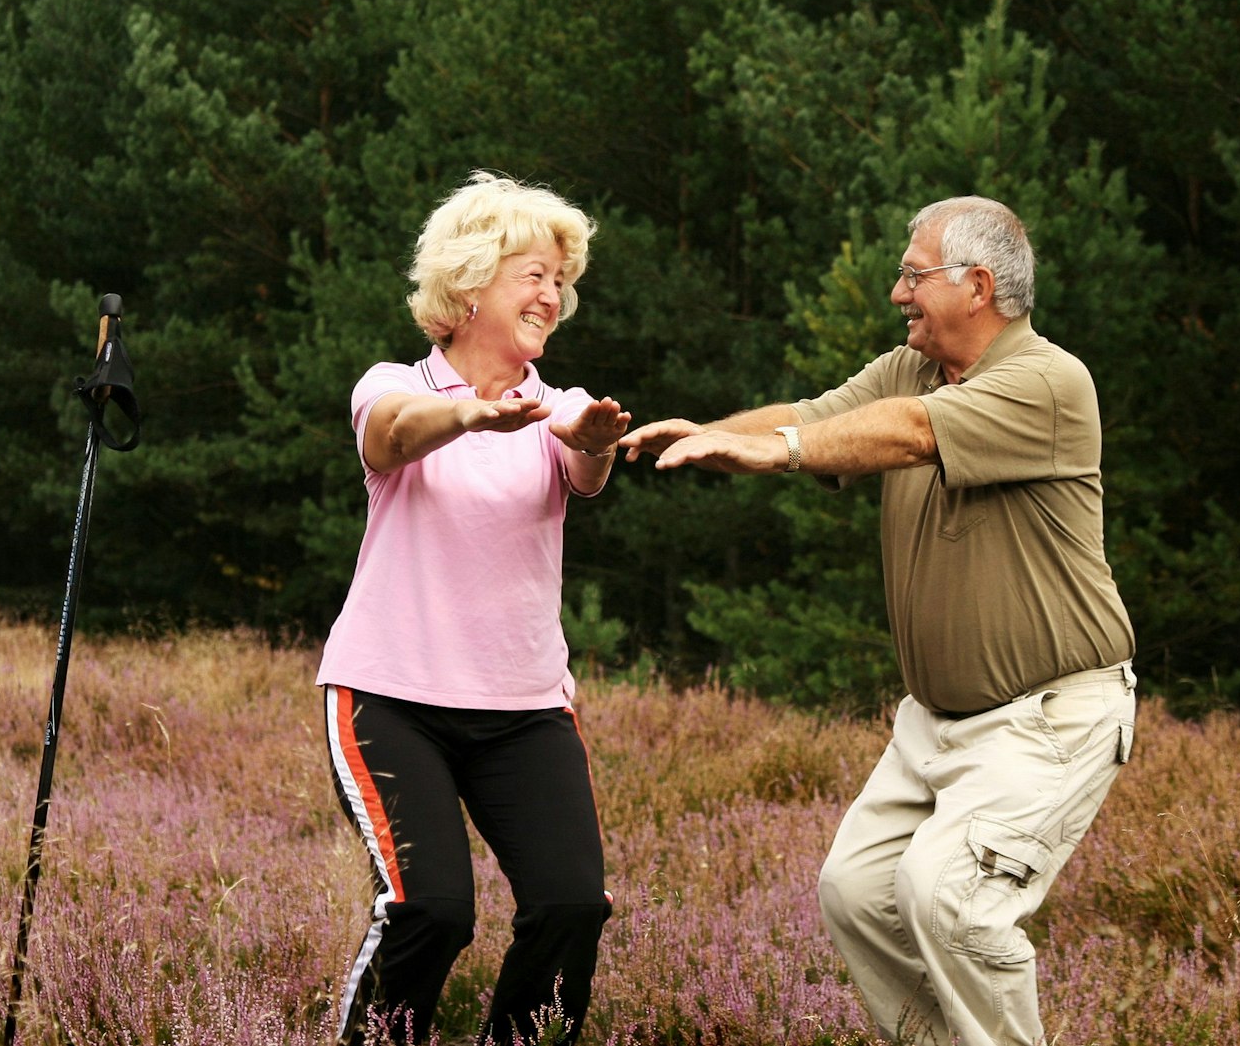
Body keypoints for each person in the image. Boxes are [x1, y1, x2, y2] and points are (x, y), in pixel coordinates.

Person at [620, 195, 1137, 1046]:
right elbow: (813, 420)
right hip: (935, 723)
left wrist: (776, 450)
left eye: (912, 274)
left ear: (976, 286)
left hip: (1050, 717)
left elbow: (906, 435)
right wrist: (715, 433)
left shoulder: (1048, 381)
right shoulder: (910, 368)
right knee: (858, 893)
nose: (897, 292)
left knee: (949, 898)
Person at [315, 171, 626, 1046]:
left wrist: (593, 443)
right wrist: (471, 419)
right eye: (533, 273)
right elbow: (395, 432)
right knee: (432, 910)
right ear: (468, 284)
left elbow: (584, 467)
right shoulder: (392, 384)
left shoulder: (559, 406)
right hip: (388, 698)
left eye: (560, 280)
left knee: (571, 904)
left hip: (524, 710)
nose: (552, 293)